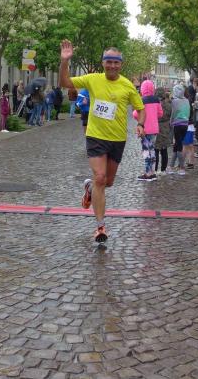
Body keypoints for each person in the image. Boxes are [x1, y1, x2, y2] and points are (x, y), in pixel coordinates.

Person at [59, 40, 145, 243]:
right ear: (103, 63)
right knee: (100, 177)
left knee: (108, 182)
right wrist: (64, 62)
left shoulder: (127, 85)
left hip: (117, 139)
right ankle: (100, 227)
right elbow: (65, 82)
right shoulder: (92, 79)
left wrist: (141, 124)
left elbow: (140, 109)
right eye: (109, 62)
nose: (112, 65)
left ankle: (90, 189)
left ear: (121, 64)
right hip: (96, 136)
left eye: (116, 62)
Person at [134, 80, 163, 181]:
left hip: (145, 129)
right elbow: (160, 114)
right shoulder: (156, 100)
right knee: (152, 150)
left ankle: (147, 173)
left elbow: (135, 114)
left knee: (146, 151)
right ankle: (152, 172)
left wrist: (141, 120)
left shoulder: (141, 100)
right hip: (154, 129)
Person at [170, 84, 190, 175]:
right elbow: (188, 112)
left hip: (177, 124)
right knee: (177, 144)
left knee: (178, 146)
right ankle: (171, 166)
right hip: (185, 124)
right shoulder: (186, 100)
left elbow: (173, 113)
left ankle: (181, 167)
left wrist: (171, 122)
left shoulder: (174, 101)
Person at [154, 87, 172, 175]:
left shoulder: (155, 105)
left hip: (156, 127)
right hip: (165, 128)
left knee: (156, 150)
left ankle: (155, 170)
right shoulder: (168, 105)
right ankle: (163, 170)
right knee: (164, 150)